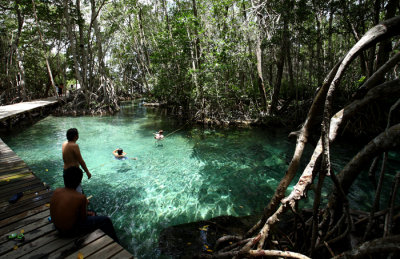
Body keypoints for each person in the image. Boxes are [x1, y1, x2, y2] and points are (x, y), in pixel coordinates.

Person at [50, 167, 119, 242]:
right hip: (69, 232)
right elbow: (83, 218)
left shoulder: (57, 191)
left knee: (91, 212)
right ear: (79, 181)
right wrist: (89, 212)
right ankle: (115, 241)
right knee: (106, 220)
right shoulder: (80, 197)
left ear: (64, 179)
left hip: (57, 227)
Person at [62, 128, 91, 193]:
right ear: (76, 136)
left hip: (65, 171)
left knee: (69, 190)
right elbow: (81, 161)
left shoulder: (64, 144)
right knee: (78, 191)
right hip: (73, 172)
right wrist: (87, 172)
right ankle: (80, 202)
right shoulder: (74, 145)